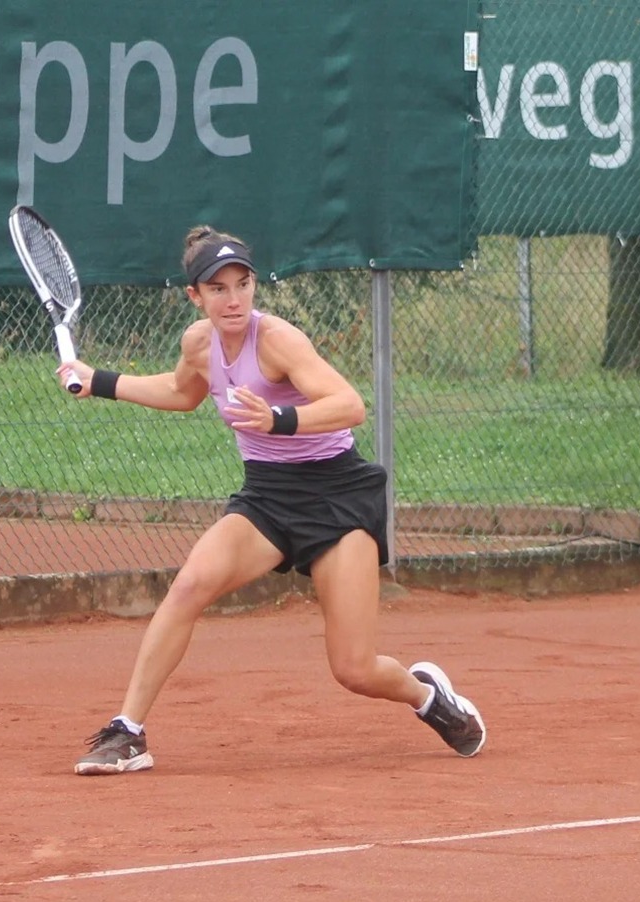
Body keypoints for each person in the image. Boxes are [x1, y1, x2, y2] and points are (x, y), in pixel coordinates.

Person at [59, 225, 486, 774]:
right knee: (189, 585)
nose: (233, 298)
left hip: (337, 495)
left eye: (243, 284)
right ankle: (128, 733)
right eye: (218, 289)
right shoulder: (199, 343)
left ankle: (428, 697)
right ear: (196, 296)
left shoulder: (279, 339)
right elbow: (182, 392)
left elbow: (349, 404)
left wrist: (280, 418)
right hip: (268, 495)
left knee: (353, 668)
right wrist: (101, 381)